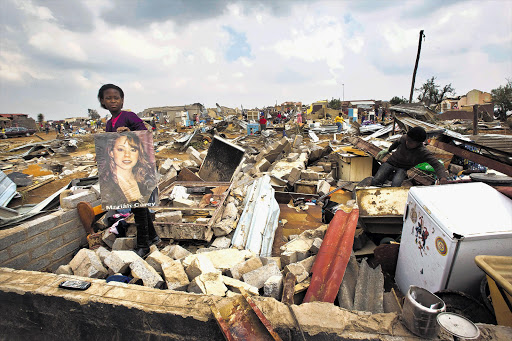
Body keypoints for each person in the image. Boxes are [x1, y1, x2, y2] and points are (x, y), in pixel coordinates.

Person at [98, 83, 159, 257]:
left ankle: (143, 245)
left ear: (122, 100)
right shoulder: (110, 123)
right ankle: (153, 237)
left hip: (134, 170)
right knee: (139, 207)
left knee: (139, 208)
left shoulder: (128, 116)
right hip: (122, 172)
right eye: (108, 98)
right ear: (102, 101)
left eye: (116, 98)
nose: (113, 101)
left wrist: (130, 131)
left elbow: (145, 133)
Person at [371, 127, 449, 187]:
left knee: (395, 186)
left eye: (411, 142)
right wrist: (388, 150)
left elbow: (437, 164)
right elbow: (396, 143)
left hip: (403, 168)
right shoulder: (404, 138)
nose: (407, 143)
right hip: (391, 162)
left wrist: (443, 178)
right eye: (407, 140)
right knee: (376, 180)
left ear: (418, 143)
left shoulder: (422, 152)